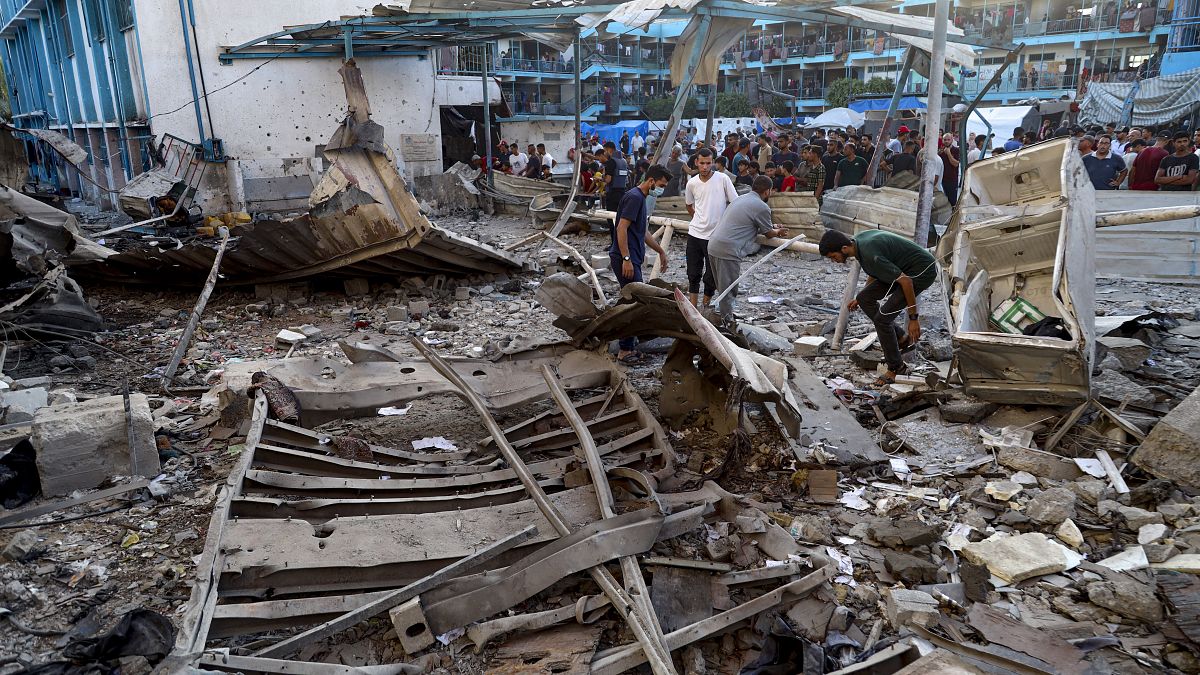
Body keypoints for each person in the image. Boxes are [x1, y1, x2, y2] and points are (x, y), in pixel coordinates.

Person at [819, 229, 937, 385]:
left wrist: (913, 319)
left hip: (921, 271)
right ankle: (901, 338)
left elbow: (907, 282)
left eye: (833, 257)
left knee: (882, 320)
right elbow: (875, 269)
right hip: (902, 269)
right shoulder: (857, 244)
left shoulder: (869, 252)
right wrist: (862, 296)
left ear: (844, 248)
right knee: (863, 298)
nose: (834, 261)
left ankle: (896, 367)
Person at [610, 165, 672, 363]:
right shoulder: (635, 198)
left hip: (632, 257)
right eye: (661, 185)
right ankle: (625, 350)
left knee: (634, 300)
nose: (661, 189)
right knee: (634, 302)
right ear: (651, 181)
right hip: (625, 258)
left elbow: (642, 231)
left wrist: (660, 251)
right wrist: (626, 259)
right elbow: (621, 228)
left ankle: (629, 345)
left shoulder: (640, 198)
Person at [706, 175, 790, 318]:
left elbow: (750, 223)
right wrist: (778, 231)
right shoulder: (762, 206)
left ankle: (723, 317)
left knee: (723, 288)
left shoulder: (740, 199)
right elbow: (769, 233)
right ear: (767, 191)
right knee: (728, 291)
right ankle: (727, 322)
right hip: (728, 250)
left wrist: (773, 226)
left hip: (714, 245)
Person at [683, 148, 740, 308]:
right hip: (695, 234)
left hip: (715, 236)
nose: (705, 167)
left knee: (711, 275)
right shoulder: (692, 183)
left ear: (713, 162)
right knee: (693, 273)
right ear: (696, 162)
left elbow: (735, 202)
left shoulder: (722, 179)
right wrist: (698, 219)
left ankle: (705, 306)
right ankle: (693, 308)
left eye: (708, 163)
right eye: (702, 163)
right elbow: (689, 205)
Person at [601, 141, 629, 213]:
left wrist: (602, 178)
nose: (604, 153)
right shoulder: (624, 161)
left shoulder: (611, 162)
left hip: (612, 193)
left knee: (611, 215)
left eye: (605, 151)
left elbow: (608, 180)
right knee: (619, 214)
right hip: (623, 192)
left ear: (609, 150)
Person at [940, 134, 961, 205]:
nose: (946, 141)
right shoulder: (940, 151)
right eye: (945, 140)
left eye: (948, 140)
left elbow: (956, 164)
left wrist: (949, 154)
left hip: (952, 180)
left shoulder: (956, 150)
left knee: (952, 201)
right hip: (941, 179)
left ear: (952, 140)